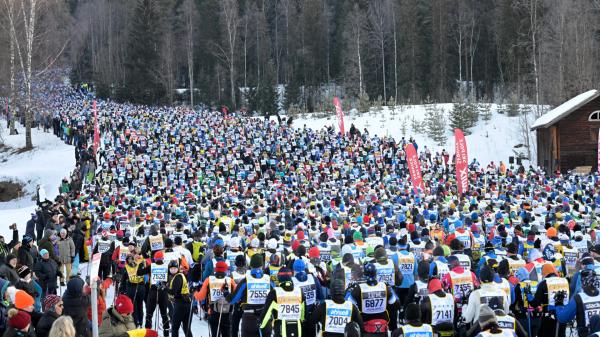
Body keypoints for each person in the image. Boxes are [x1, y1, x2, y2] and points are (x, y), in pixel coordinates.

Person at [347, 263, 399, 336]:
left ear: (364, 275)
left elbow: (349, 305)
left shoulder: (358, 288)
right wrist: (393, 327)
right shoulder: (384, 287)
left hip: (364, 322)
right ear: (376, 274)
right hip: (383, 322)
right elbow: (395, 304)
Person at [227, 254, 271, 337]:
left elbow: (233, 299)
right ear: (262, 265)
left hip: (249, 319)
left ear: (250, 265)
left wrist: (226, 294)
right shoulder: (268, 280)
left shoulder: (246, 281)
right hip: (265, 318)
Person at [259, 268, 305, 337]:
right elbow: (303, 316)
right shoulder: (300, 292)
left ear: (279, 278)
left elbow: (265, 315)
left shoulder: (274, 293)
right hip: (297, 331)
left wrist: (260, 326)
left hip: (280, 331)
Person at [194, 261, 235, 337]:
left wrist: (195, 293)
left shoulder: (209, 280)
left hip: (213, 311)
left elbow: (201, 296)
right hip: (227, 312)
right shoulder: (230, 280)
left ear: (215, 269)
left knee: (215, 334)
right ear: (225, 269)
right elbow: (236, 296)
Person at [167, 260, 192, 337]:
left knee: (175, 327)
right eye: (171, 268)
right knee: (186, 327)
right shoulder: (179, 275)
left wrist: (165, 288)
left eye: (174, 268)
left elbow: (173, 292)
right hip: (186, 303)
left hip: (180, 304)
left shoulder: (178, 277)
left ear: (177, 268)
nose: (173, 270)